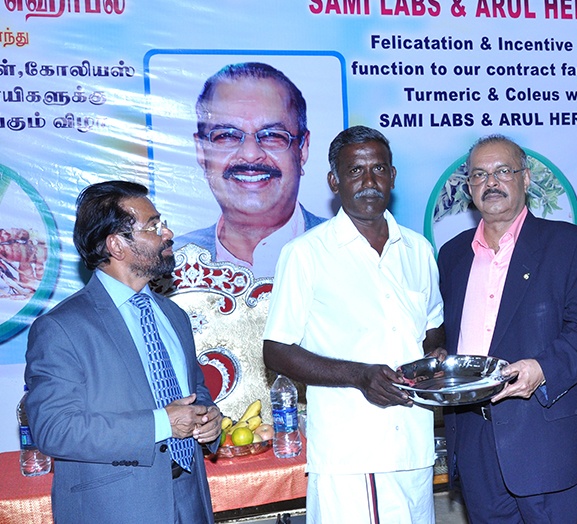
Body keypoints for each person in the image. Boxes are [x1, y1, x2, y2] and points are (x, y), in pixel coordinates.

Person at [263, 126, 444, 523]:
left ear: (392, 176)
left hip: (415, 442)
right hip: (353, 451)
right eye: (355, 171)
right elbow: (276, 351)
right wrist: (359, 376)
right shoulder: (306, 254)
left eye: (378, 169)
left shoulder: (418, 250)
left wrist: (434, 357)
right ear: (334, 181)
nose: (369, 181)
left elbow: (432, 325)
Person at [25, 181, 222, 524]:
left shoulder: (173, 315)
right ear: (116, 245)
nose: (167, 233)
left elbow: (195, 392)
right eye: (154, 226)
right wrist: (162, 423)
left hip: (190, 503)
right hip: (116, 510)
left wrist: (209, 419)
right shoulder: (61, 328)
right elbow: (55, 429)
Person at [437, 134, 577, 523]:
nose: (491, 182)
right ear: (469, 187)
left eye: (503, 171)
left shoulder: (571, 245)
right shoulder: (452, 255)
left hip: (543, 435)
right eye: (479, 175)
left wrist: (542, 369)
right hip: (474, 437)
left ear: (526, 179)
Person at [176, 62, 325, 277]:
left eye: (272, 135)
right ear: (201, 151)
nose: (250, 154)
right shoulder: (166, 269)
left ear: (302, 150)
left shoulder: (354, 256)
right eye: (227, 135)